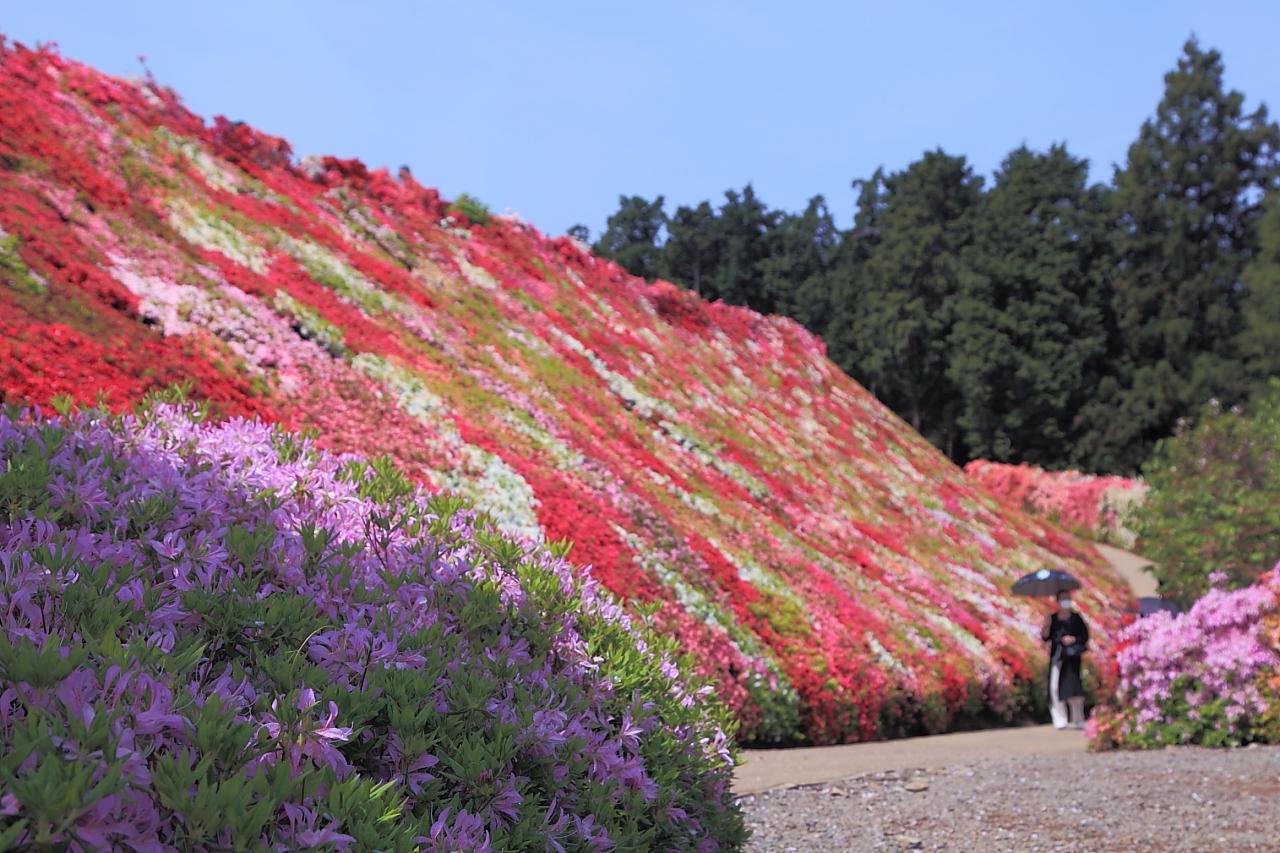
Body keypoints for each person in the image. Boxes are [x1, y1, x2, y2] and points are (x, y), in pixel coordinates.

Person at [1041, 593, 1089, 729]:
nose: (1065, 601)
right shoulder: (1053, 618)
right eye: (1062, 599)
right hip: (1058, 656)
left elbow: (1084, 636)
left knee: (1074, 689)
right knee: (1054, 688)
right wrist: (1046, 625)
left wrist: (1073, 639)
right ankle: (1060, 718)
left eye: (1067, 598)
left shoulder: (1076, 618)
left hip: (1072, 657)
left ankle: (1078, 718)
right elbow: (1046, 638)